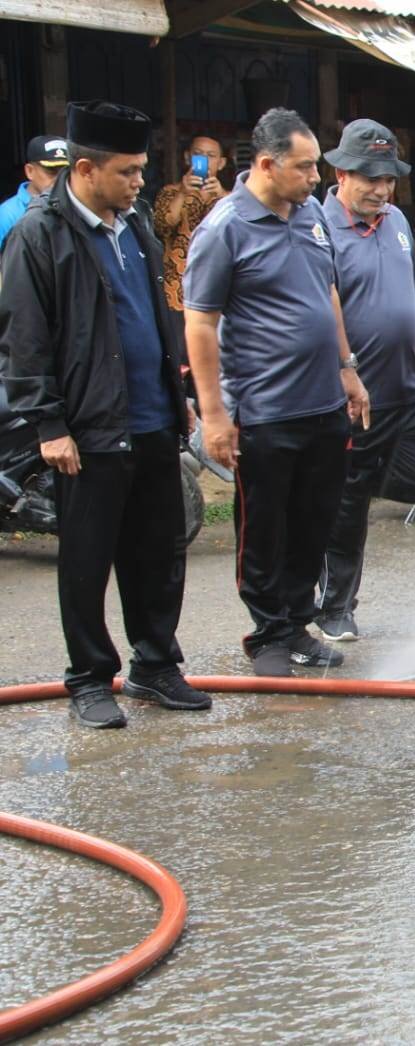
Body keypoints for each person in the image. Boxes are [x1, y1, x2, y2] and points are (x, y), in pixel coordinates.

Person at [0, 101, 209, 728]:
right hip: (88, 429)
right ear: (86, 169)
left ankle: (155, 664)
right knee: (87, 561)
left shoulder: (135, 225)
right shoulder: (40, 235)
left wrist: (178, 396)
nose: (140, 181)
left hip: (152, 419)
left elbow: (155, 314)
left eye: (141, 169)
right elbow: (24, 339)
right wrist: (49, 425)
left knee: (159, 554)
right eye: (128, 171)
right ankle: (90, 678)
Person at [185, 107, 371, 677]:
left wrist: (347, 367)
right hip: (264, 411)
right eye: (305, 166)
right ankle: (267, 633)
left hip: (323, 403)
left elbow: (327, 291)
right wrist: (215, 415)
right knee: (264, 529)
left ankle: (296, 625)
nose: (316, 177)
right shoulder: (224, 228)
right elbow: (200, 323)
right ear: (267, 165)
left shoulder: (311, 214)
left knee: (314, 523)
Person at [314, 119, 415, 643]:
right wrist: (343, 370)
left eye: (389, 179)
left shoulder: (396, 222)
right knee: (347, 508)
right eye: (371, 178)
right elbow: (319, 312)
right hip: (355, 392)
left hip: (408, 384)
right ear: (342, 174)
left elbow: (406, 291)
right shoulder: (319, 228)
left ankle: (350, 485)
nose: (382, 189)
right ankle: (335, 607)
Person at [152, 134, 226, 313]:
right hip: (177, 290)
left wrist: (222, 196)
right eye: (198, 154)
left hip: (218, 290)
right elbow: (161, 226)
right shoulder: (170, 192)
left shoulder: (230, 198)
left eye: (211, 156)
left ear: (221, 163)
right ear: (187, 157)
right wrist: (183, 193)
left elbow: (244, 233)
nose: (205, 160)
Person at [0, 135, 69, 251]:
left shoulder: (75, 206)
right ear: (30, 171)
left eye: (65, 172)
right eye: (51, 172)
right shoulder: (7, 215)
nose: (59, 180)